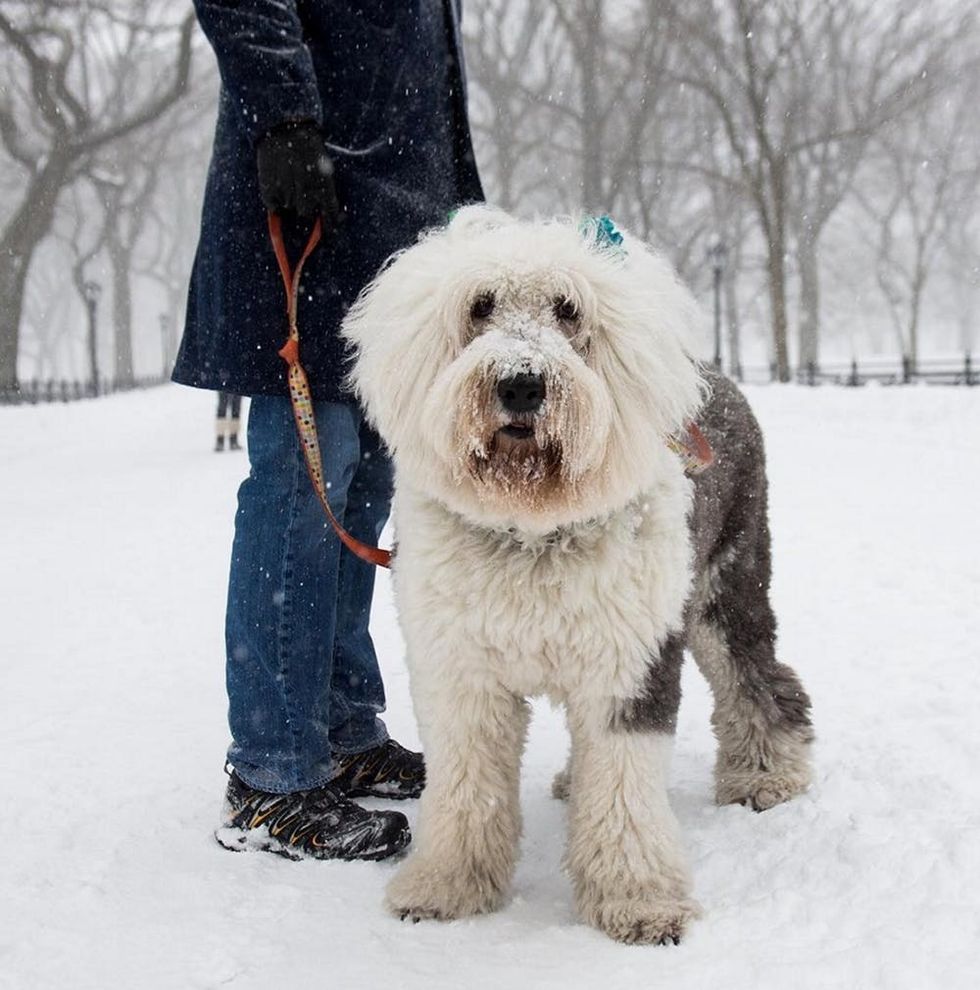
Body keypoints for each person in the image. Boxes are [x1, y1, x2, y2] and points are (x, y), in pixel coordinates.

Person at [172, 0, 483, 861]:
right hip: (316, 192)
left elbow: (431, 65)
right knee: (307, 479)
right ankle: (272, 772)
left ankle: (344, 730)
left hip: (398, 220)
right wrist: (286, 118)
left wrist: (462, 203)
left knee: (371, 481)